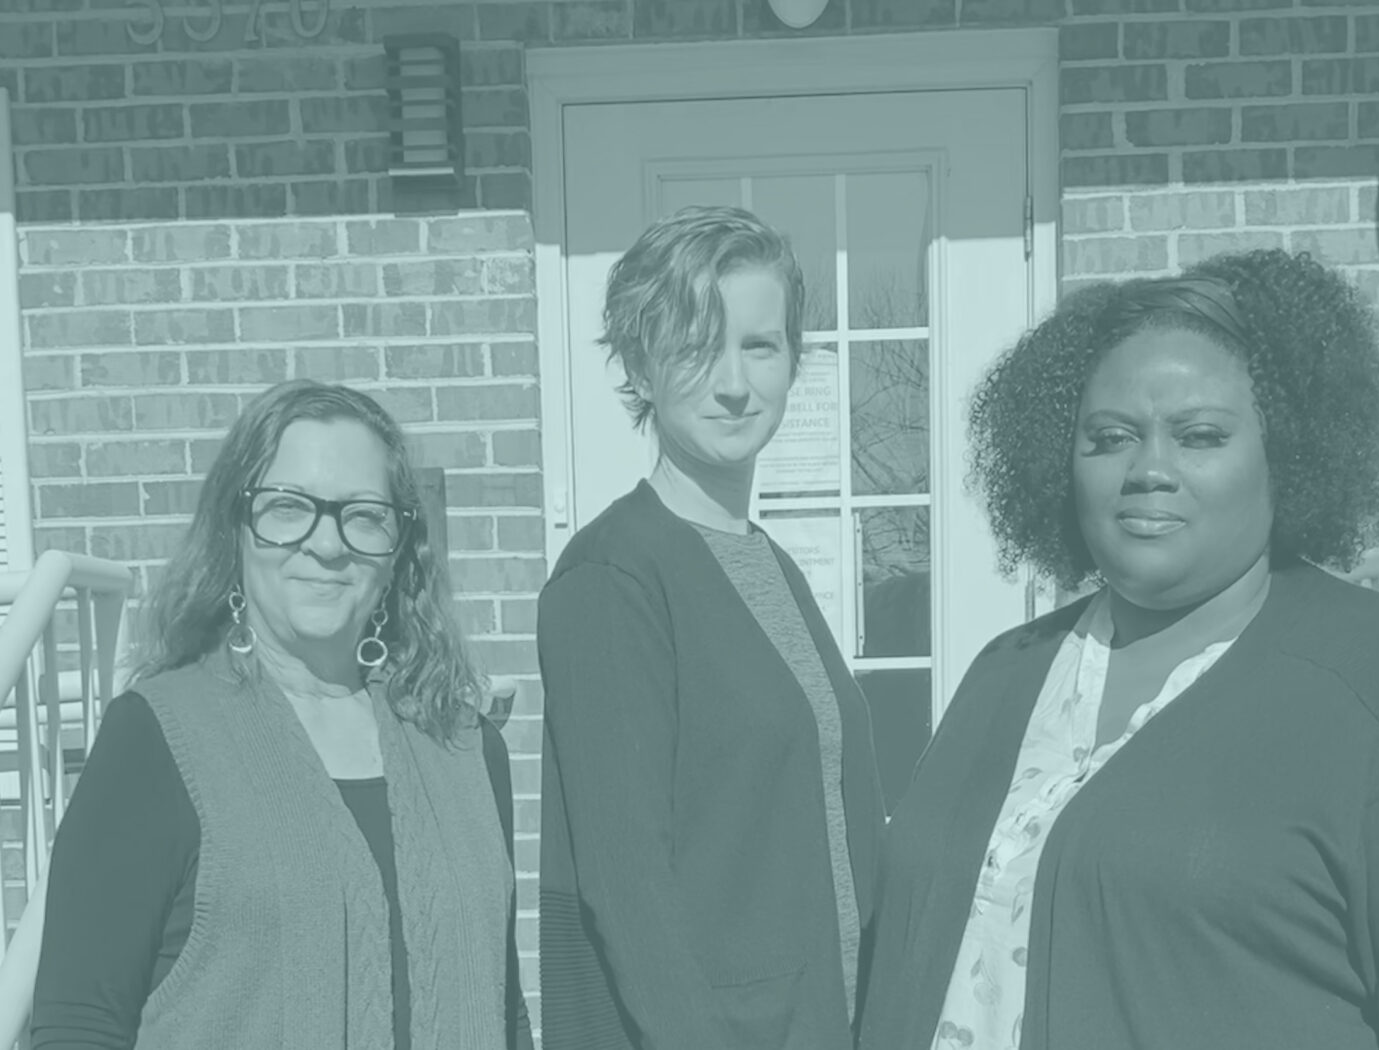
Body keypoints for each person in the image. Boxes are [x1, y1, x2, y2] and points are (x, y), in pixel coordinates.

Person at [856, 248, 1379, 1050]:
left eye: (1199, 436)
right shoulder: (1006, 673)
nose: (1149, 469)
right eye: (1110, 436)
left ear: (1287, 453)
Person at [31, 379, 534, 1050]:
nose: (327, 545)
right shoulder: (154, 741)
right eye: (288, 507)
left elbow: (507, 1014)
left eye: (363, 514)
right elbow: (79, 1025)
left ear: (399, 548)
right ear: (234, 527)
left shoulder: (466, 747)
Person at [538, 206, 886, 1050]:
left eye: (760, 346)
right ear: (640, 367)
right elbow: (627, 885)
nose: (734, 382)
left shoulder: (766, 561)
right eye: (696, 347)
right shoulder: (613, 576)